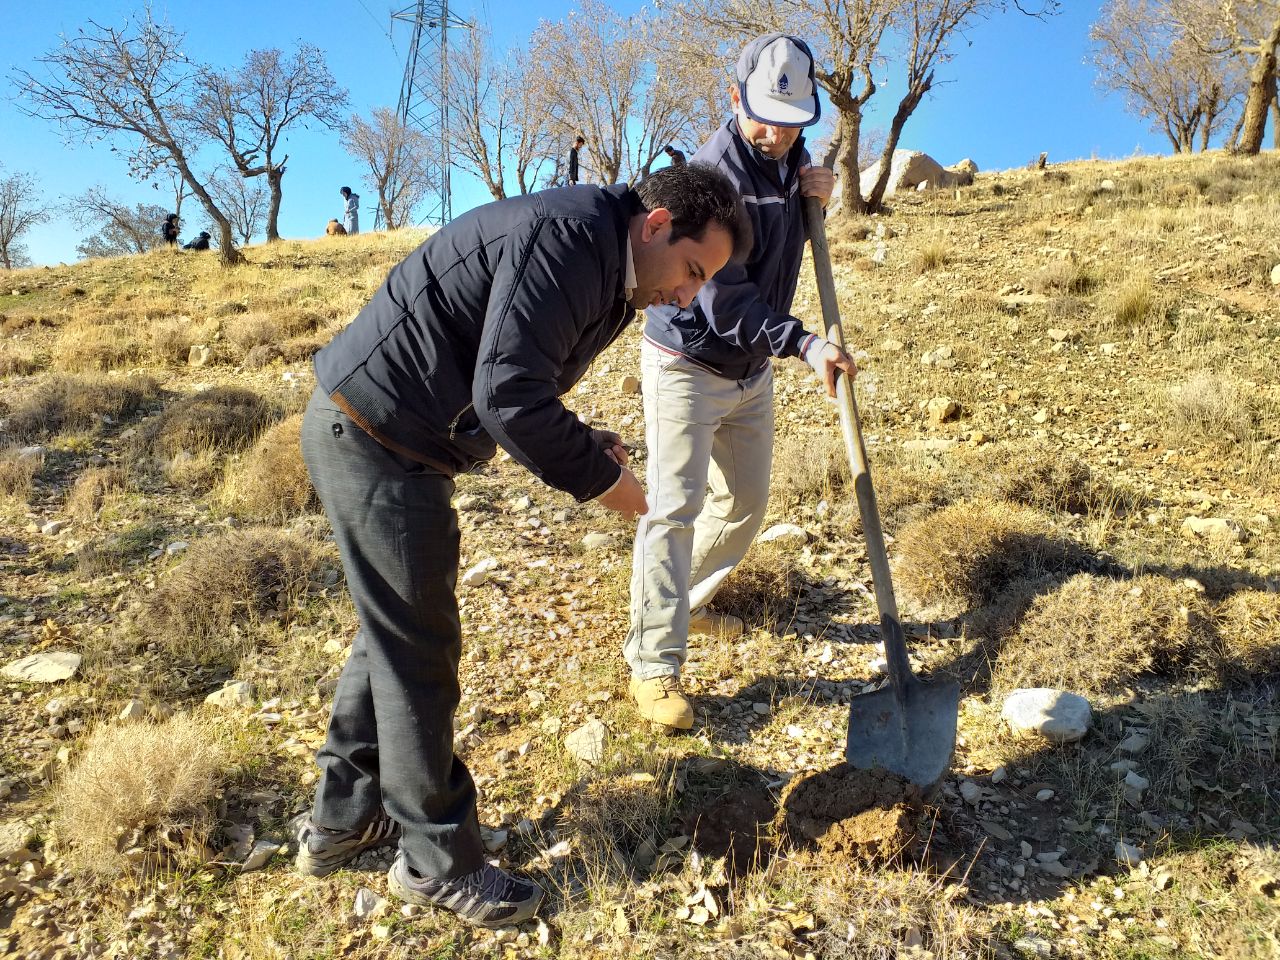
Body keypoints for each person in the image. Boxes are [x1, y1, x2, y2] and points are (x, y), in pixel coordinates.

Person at [292, 163, 750, 928]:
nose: (687, 294)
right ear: (659, 223)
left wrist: (584, 441)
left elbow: (511, 374)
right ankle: (437, 863)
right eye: (693, 271)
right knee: (419, 651)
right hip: (373, 434)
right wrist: (606, 488)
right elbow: (507, 394)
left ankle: (343, 821)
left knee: (394, 636)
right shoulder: (573, 238)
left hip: (394, 436)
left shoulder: (608, 262)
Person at [624, 33, 856, 731]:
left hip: (751, 369)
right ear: (733, 99)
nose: (777, 131)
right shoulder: (712, 181)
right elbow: (724, 305)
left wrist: (819, 189)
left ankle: (672, 604)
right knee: (673, 508)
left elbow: (794, 207)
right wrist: (806, 343)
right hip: (688, 364)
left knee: (747, 506)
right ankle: (653, 663)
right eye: (763, 116)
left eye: (792, 120)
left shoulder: (790, 157)